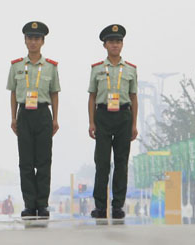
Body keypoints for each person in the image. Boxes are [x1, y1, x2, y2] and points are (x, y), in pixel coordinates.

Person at [7, 21, 60, 220]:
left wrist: (55, 118)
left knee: (44, 161)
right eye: (30, 38)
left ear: (43, 41)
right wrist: (13, 117)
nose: (33, 42)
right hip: (24, 115)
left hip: (43, 114)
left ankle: (42, 204)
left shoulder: (51, 67)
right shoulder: (17, 66)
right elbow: (13, 93)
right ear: (25, 40)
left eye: (37, 38)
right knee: (26, 162)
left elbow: (54, 93)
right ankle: (30, 205)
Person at [88, 24, 138, 219]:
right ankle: (100, 206)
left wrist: (134, 124)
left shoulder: (131, 69)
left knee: (121, 162)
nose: (115, 45)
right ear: (105, 45)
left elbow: (134, 97)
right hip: (102, 116)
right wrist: (91, 122)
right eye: (111, 42)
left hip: (124, 117)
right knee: (101, 162)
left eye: (118, 41)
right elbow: (92, 97)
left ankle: (117, 205)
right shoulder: (97, 69)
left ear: (122, 44)